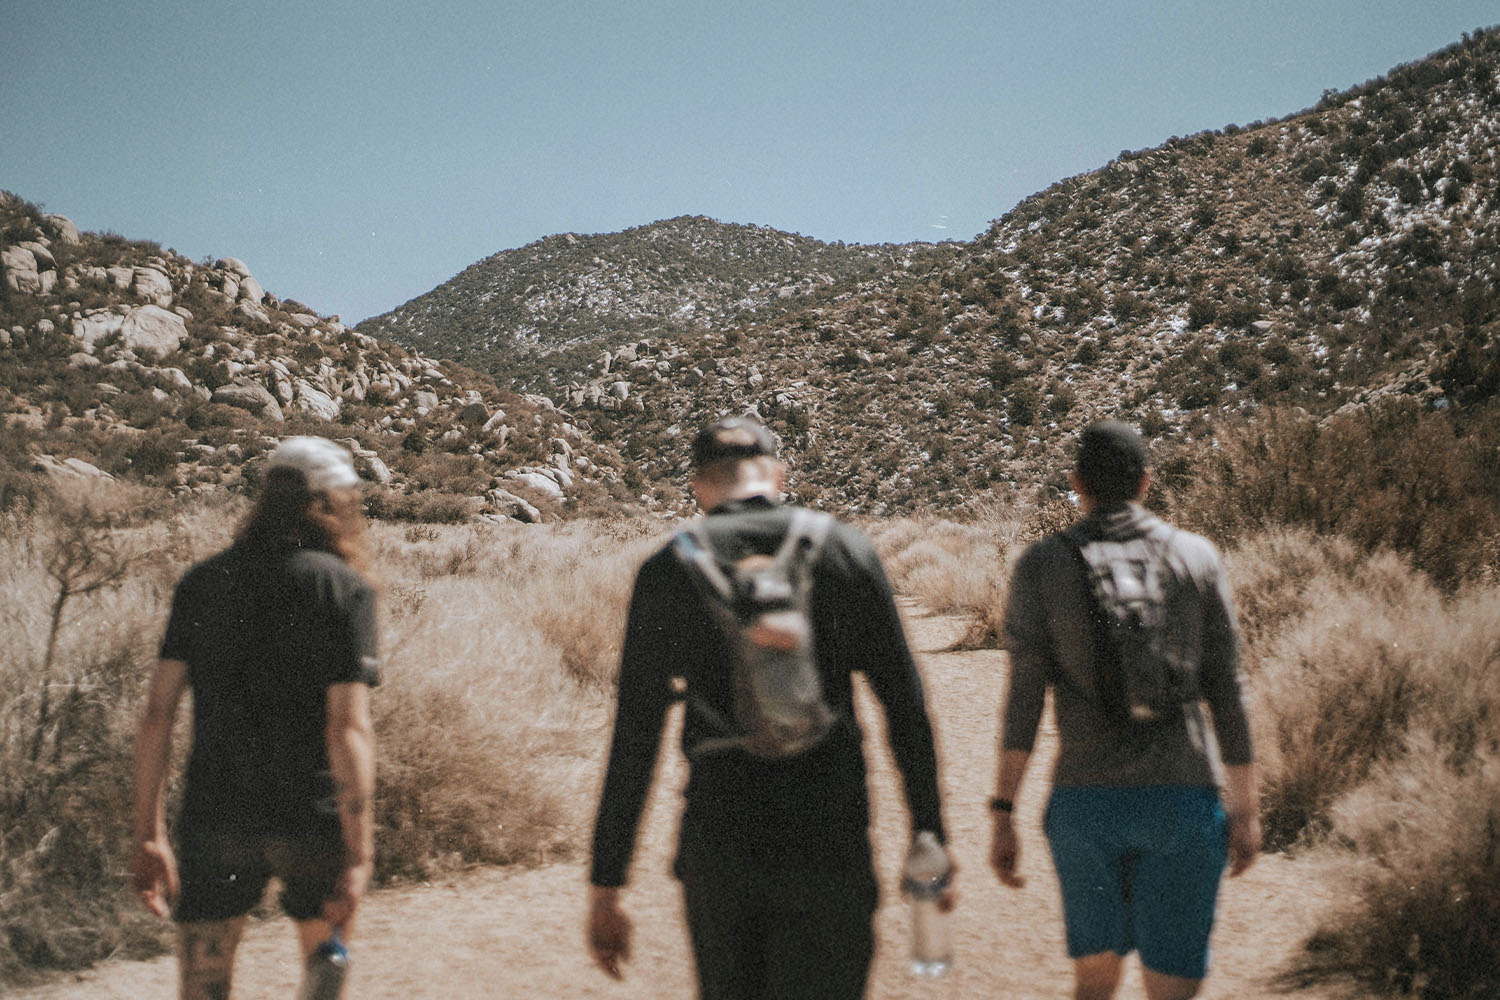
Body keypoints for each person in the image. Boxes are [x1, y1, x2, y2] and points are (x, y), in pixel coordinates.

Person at [587, 415, 953, 1000]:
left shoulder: (666, 572)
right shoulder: (845, 550)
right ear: (778, 475)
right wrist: (929, 833)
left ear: (698, 486)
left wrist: (607, 885)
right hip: (830, 838)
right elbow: (905, 707)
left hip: (721, 847)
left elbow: (635, 737)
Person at [989, 420, 1261, 1000]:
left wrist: (1004, 810)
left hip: (1084, 803)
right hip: (1183, 798)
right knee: (1172, 988)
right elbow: (1228, 695)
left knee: (1094, 983)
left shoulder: (1042, 565)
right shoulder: (1196, 556)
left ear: (1076, 483)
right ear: (1146, 482)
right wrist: (1245, 809)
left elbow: (1023, 702)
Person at [132, 436, 379, 1000]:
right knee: (324, 981)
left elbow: (156, 715)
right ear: (335, 502)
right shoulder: (344, 589)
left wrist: (148, 834)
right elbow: (347, 729)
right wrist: (360, 852)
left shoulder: (202, 583)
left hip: (215, 812)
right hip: (311, 819)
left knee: (204, 988)